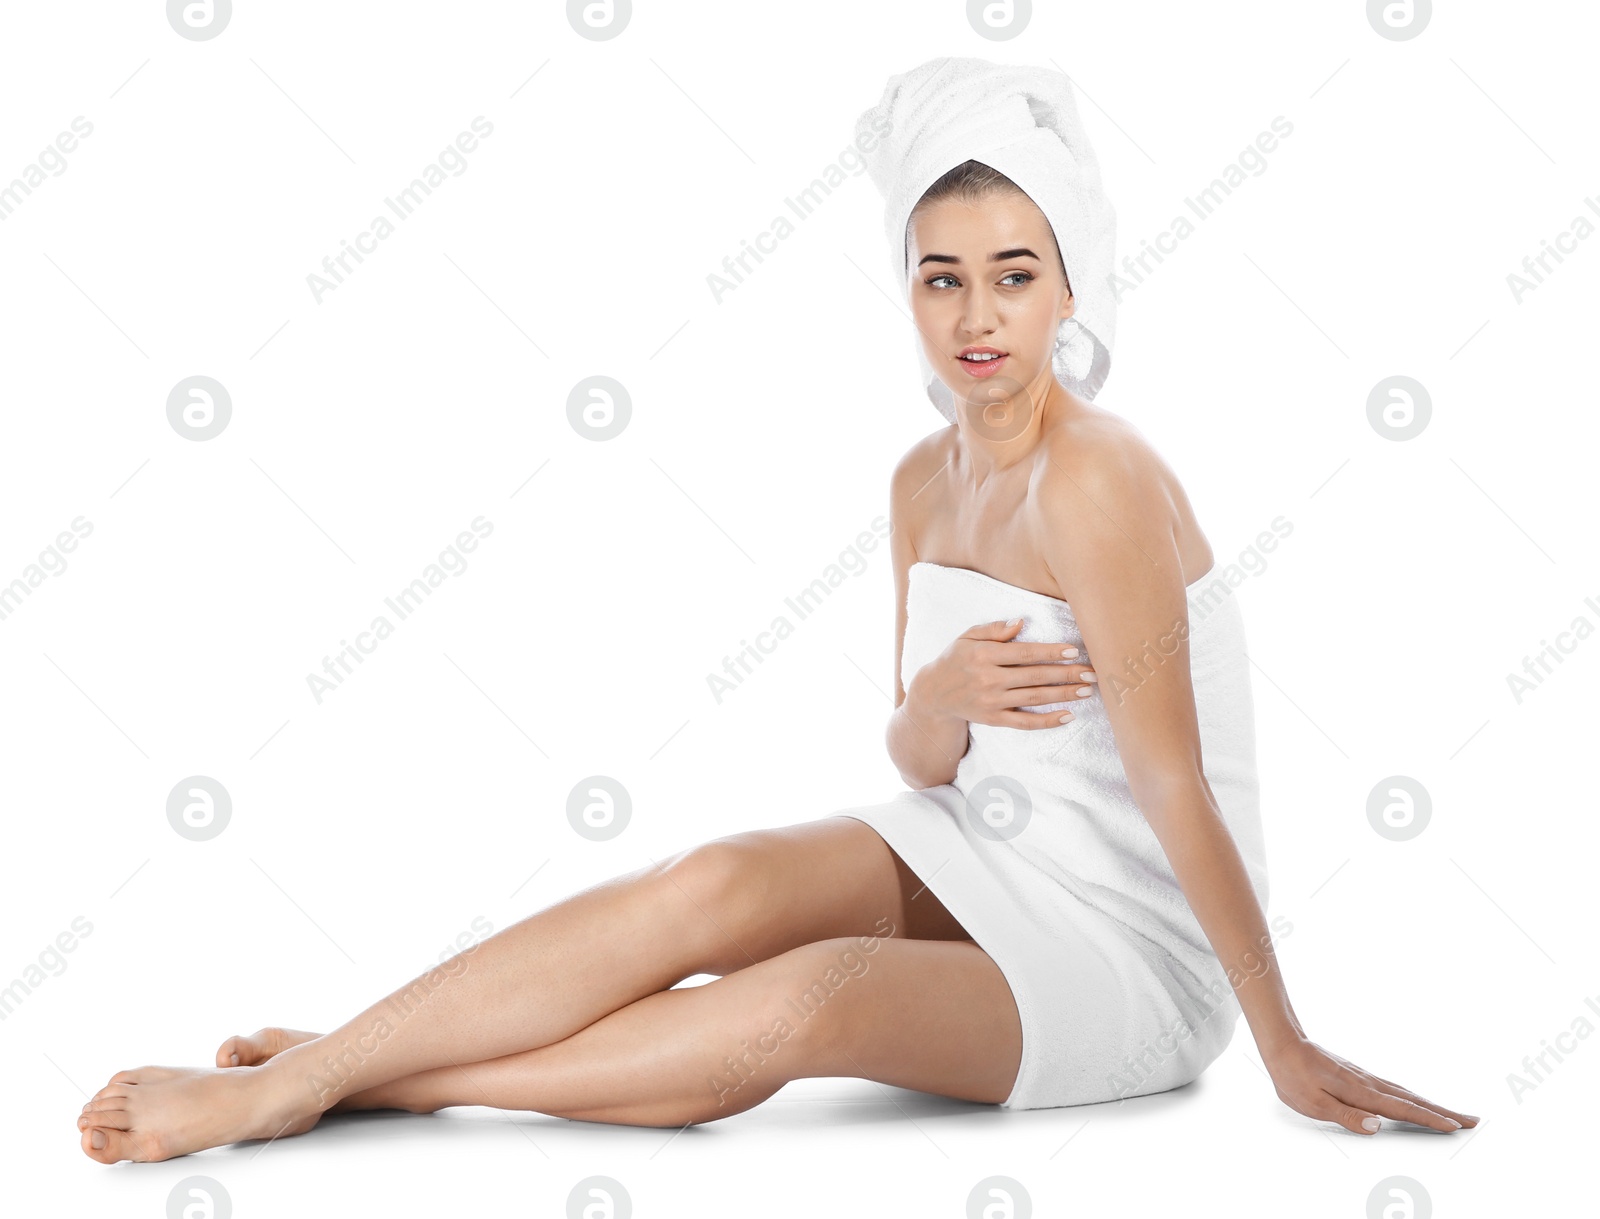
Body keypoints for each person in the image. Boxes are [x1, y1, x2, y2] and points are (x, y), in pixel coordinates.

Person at [77, 61, 1477, 1165]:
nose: (977, 316)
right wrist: (932, 707)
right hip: (980, 851)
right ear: (908, 289)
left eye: (1014, 274)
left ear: (1069, 288)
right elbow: (923, 765)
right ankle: (346, 1070)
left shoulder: (1098, 480)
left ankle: (340, 1082)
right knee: (714, 885)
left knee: (815, 993)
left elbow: (1174, 784)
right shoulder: (920, 484)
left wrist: (1283, 1039)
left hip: (1128, 948)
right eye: (942, 277)